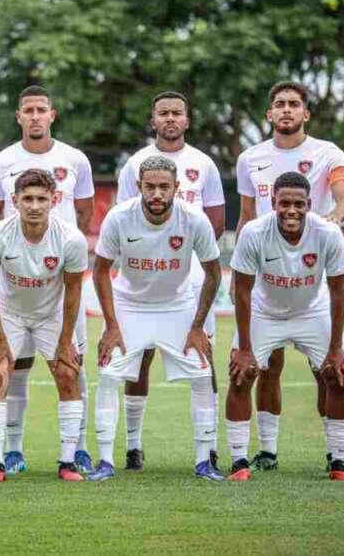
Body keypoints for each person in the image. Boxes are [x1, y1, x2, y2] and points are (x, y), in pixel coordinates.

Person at [233, 80, 344, 471]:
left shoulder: (327, 153)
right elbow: (247, 216)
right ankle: (266, 451)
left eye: (294, 104)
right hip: (267, 276)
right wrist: (243, 255)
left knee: (327, 374)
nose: (286, 110)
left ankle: (336, 456)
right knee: (266, 369)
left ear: (306, 113)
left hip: (309, 274)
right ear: (269, 114)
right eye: (279, 105)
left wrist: (332, 221)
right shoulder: (250, 158)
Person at [90, 156, 223, 481]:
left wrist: (197, 327)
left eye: (165, 187)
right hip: (130, 305)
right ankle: (106, 461)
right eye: (150, 187)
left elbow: (213, 274)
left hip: (177, 305)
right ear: (138, 187)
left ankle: (204, 460)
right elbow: (101, 271)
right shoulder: (119, 218)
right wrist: (111, 325)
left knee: (203, 375)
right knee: (109, 374)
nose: (157, 194)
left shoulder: (194, 220)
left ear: (177, 188)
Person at [0, 85, 95, 475]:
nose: (34, 116)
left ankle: (76, 451)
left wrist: (60, 250)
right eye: (27, 110)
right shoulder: (0, 163)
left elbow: (84, 210)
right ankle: (7, 453)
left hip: (56, 293)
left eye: (41, 110)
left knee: (71, 368)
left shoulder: (75, 159)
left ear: (52, 114)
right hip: (14, 294)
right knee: (9, 370)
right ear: (19, 116)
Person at [114, 91, 225, 471]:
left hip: (191, 276)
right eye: (163, 113)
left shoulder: (203, 164)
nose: (171, 119)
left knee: (202, 358)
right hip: (145, 278)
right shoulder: (135, 164)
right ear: (153, 120)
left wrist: (185, 247)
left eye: (177, 113)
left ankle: (208, 447)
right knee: (139, 359)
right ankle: (133, 445)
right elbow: (128, 218)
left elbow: (216, 220)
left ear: (187, 120)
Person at [225, 172, 344, 482]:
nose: (291, 210)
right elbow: (243, 291)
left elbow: (338, 290)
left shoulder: (327, 233)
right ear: (273, 203)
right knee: (241, 374)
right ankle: (239, 462)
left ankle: (339, 463)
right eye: (284, 203)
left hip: (313, 311)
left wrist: (336, 348)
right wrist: (244, 349)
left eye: (299, 204)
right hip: (264, 312)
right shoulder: (254, 232)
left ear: (309, 204)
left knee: (338, 376)